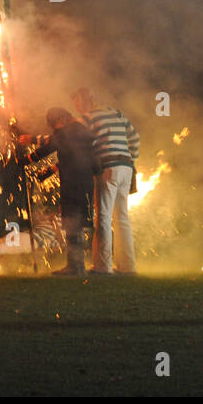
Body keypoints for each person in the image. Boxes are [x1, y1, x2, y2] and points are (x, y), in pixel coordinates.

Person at [19, 107, 99, 276]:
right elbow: (75, 157)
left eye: (53, 125)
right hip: (86, 182)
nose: (54, 129)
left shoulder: (64, 133)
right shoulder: (84, 131)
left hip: (72, 183)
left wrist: (25, 160)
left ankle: (75, 266)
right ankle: (78, 265)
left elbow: (47, 148)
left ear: (60, 120)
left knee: (71, 222)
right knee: (77, 222)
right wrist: (48, 172)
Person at [71, 88, 139, 275]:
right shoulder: (117, 113)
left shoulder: (87, 118)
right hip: (126, 167)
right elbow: (135, 138)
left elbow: (75, 142)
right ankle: (128, 267)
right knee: (122, 217)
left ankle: (103, 266)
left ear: (85, 100)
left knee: (103, 217)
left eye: (76, 102)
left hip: (108, 168)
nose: (76, 107)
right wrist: (131, 161)